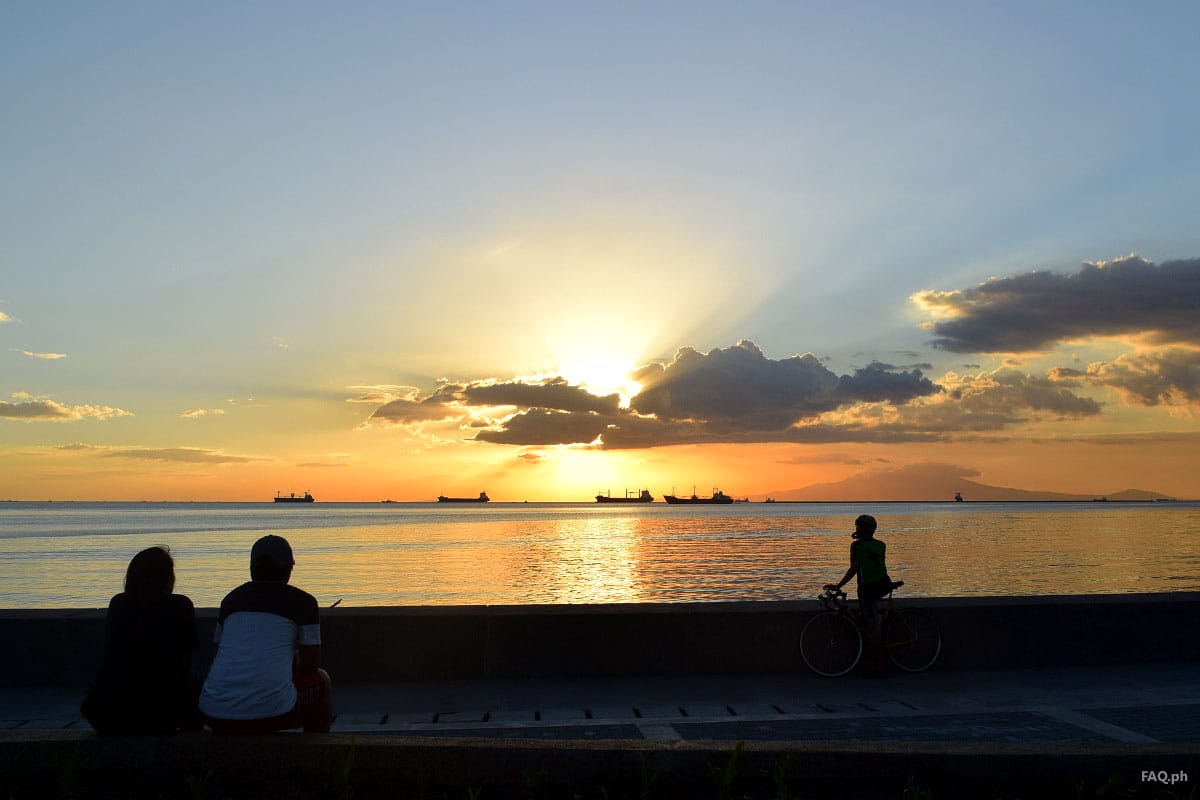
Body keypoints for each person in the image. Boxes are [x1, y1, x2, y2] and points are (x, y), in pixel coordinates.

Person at [199, 535, 333, 732]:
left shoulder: (231, 600)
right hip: (273, 715)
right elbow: (310, 664)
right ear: (289, 569)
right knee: (322, 680)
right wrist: (293, 660)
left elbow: (224, 649)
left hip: (212, 713)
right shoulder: (304, 602)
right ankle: (319, 754)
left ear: (252, 568)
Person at [81, 546, 200, 734]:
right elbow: (184, 662)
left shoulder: (118, 604)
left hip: (107, 715)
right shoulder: (180, 606)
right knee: (195, 683)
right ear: (168, 577)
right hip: (158, 716)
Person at [825, 514, 894, 676]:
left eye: (857, 527)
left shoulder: (856, 546)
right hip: (882, 585)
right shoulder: (881, 545)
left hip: (868, 590)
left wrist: (838, 586)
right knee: (873, 620)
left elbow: (854, 569)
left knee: (873, 629)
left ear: (860, 529)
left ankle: (881, 667)